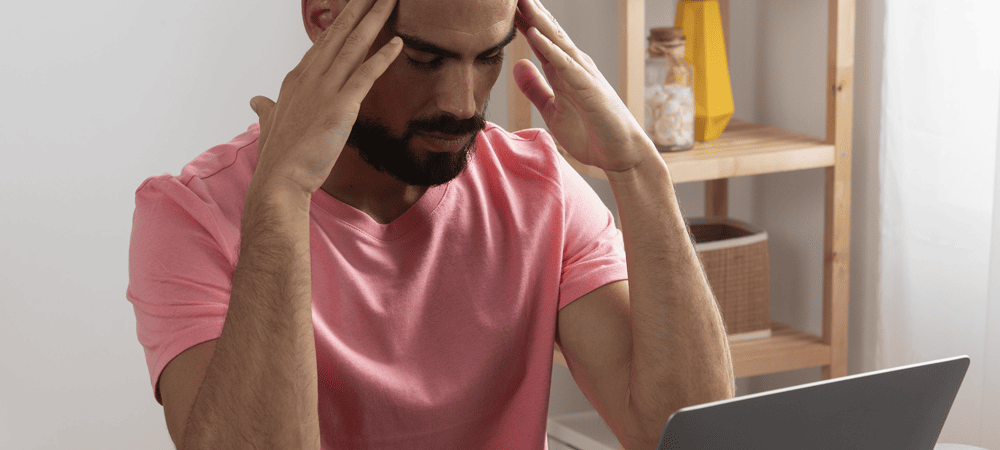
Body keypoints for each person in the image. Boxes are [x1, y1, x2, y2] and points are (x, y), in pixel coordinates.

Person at [126, 0, 736, 448]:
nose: (462, 103)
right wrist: (282, 201)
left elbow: (684, 429)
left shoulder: (538, 189)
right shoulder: (192, 216)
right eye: (423, 59)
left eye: (488, 58)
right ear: (325, 17)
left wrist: (640, 174)